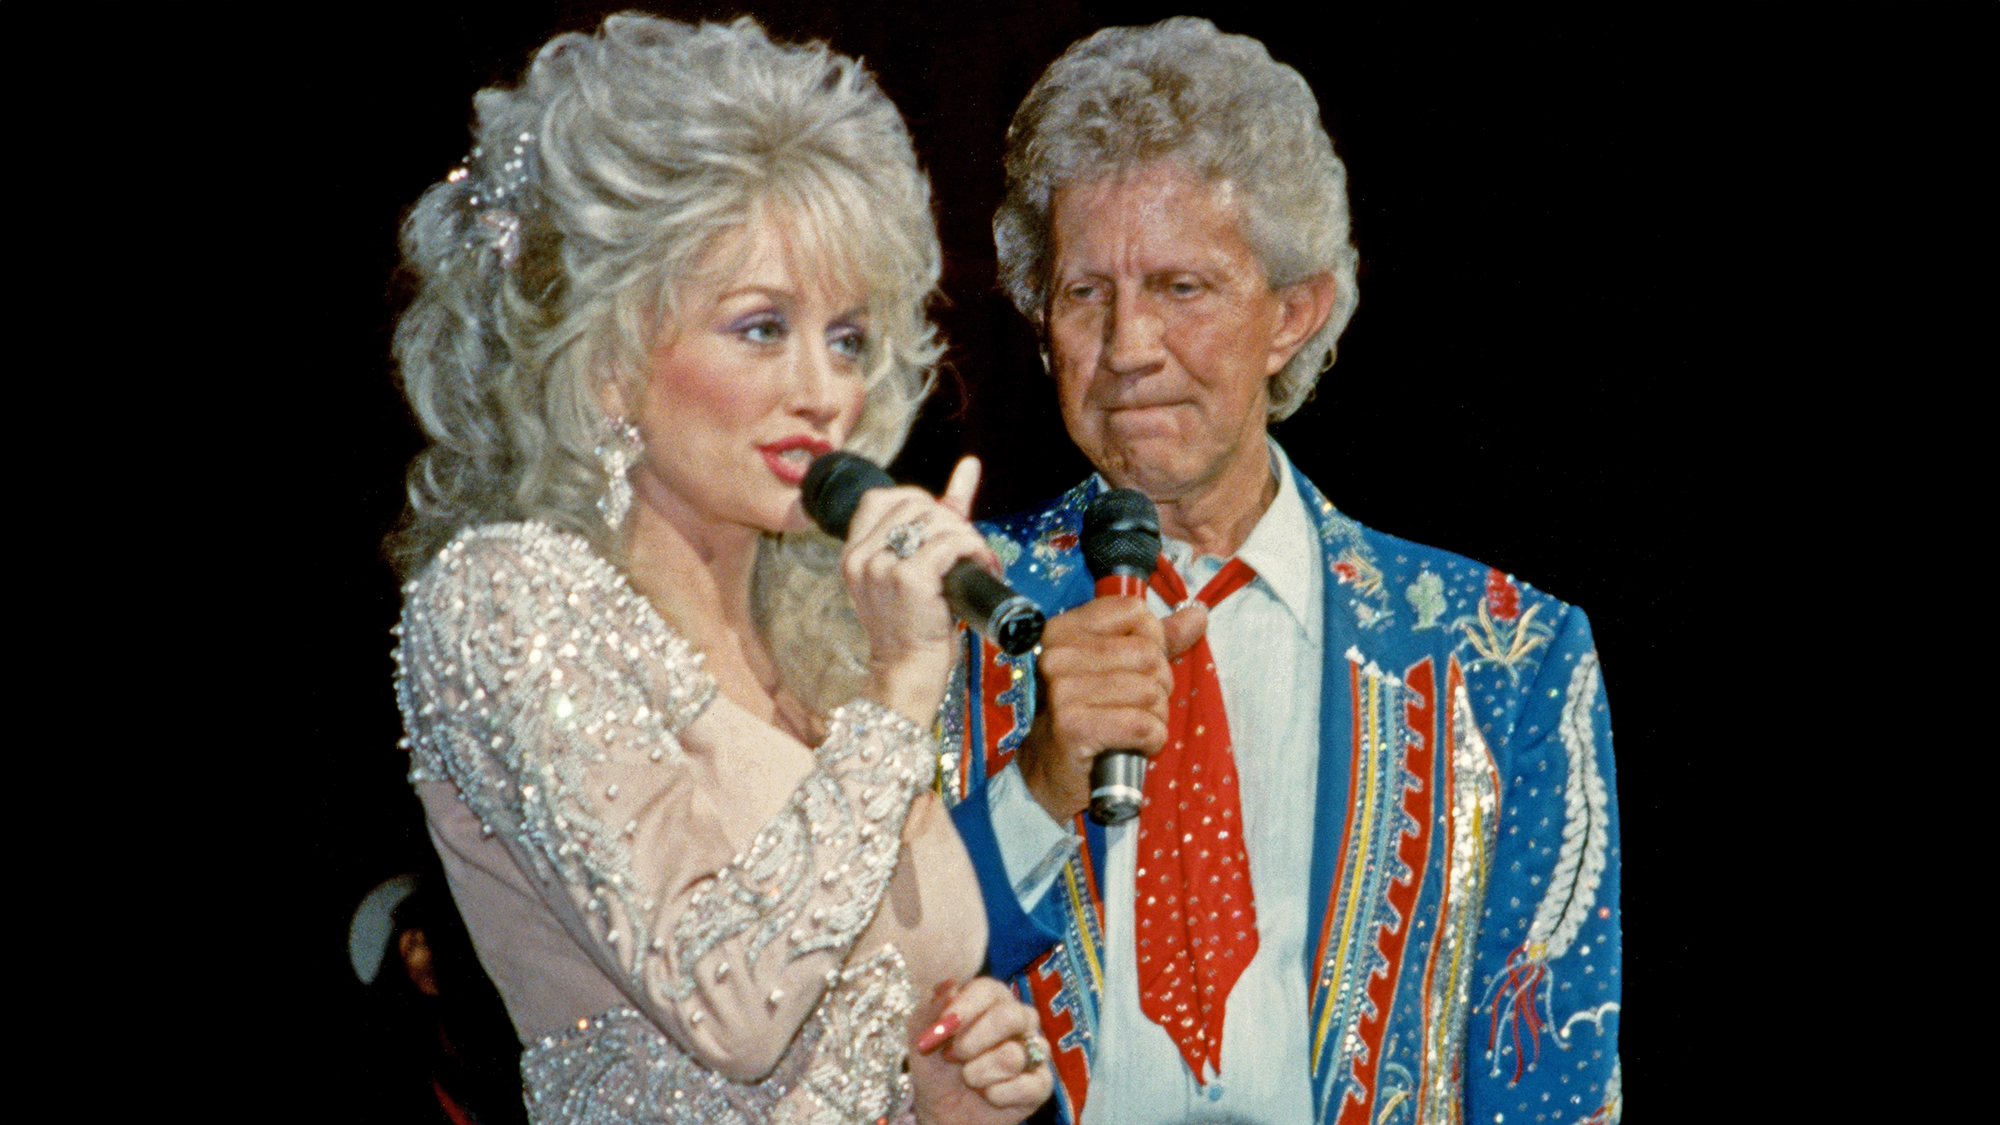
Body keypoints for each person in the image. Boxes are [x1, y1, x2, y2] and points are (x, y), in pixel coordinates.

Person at [940, 19, 1622, 1125]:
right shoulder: (933, 614)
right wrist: (1034, 786)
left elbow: (1554, 1083)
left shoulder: (1508, 654)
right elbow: (851, 1004)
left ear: (1290, 313)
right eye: (1083, 294)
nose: (1125, 347)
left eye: (1180, 288)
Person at [389, 16, 1053, 1124]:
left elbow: (836, 1032)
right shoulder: (507, 601)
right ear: (605, 362)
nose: (822, 390)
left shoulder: (825, 642)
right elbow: (730, 1008)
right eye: (760, 328)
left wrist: (941, 1085)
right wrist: (897, 692)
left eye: (847, 338)